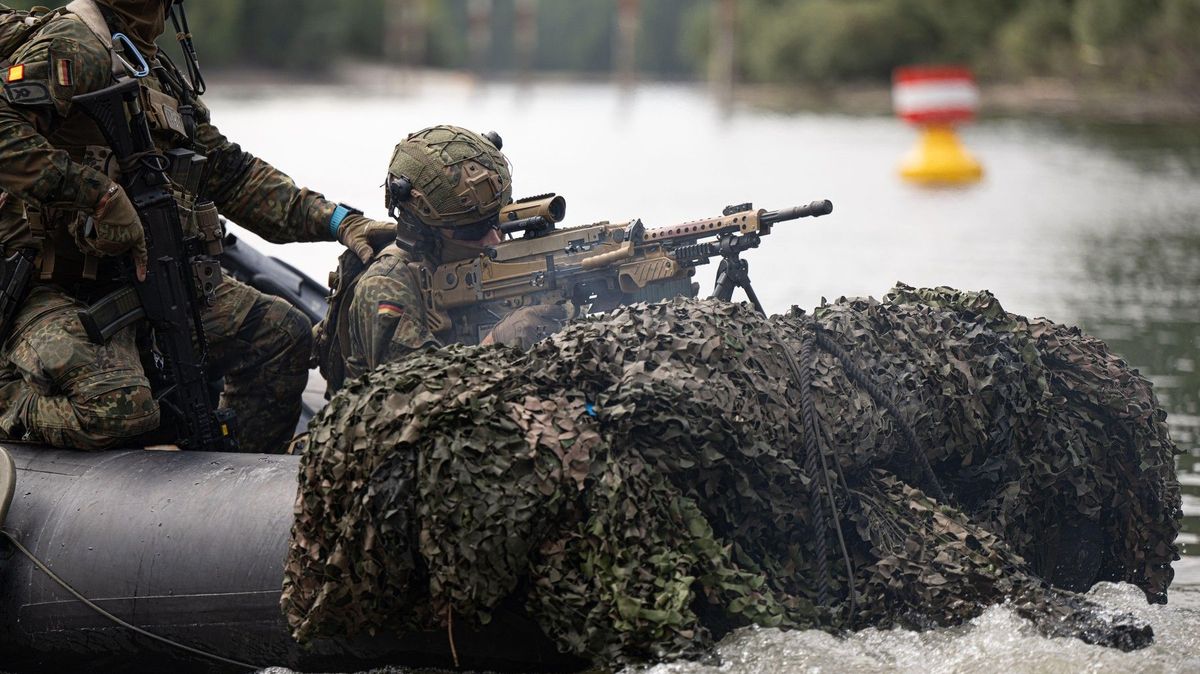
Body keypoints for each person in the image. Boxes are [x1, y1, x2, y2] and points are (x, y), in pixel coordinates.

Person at [0, 0, 388, 453]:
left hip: (143, 279)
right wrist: (98, 196)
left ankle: (237, 487)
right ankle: (9, 397)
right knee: (117, 411)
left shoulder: (149, 66)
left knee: (281, 334)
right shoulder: (77, 43)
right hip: (55, 288)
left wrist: (340, 221)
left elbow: (230, 173)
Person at [316, 125, 567, 394]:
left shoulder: (487, 263)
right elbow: (413, 398)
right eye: (472, 231)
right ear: (424, 230)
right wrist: (496, 345)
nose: (494, 240)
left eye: (499, 222)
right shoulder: (385, 286)